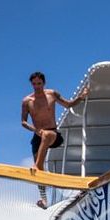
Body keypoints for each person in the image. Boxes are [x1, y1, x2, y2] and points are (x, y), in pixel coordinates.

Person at [21, 71, 88, 207]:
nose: (37, 86)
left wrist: (81, 97)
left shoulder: (52, 94)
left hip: (53, 134)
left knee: (46, 136)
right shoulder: (27, 101)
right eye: (34, 84)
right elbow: (23, 121)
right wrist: (35, 130)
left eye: (39, 83)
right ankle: (44, 200)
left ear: (44, 83)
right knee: (40, 169)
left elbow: (68, 104)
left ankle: (36, 165)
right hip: (37, 135)